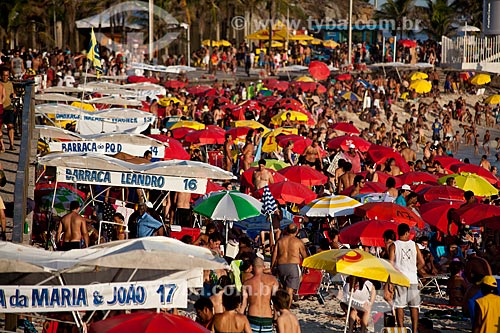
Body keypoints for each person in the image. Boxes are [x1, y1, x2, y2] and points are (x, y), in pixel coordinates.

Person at [389, 223, 425, 333]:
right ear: (407, 232)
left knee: (399, 306)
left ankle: (401, 329)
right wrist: (414, 269)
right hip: (412, 278)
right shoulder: (414, 245)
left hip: (400, 279)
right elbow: (422, 262)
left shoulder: (394, 245)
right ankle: (414, 330)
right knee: (414, 306)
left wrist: (390, 282)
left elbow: (391, 265)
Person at [271, 223, 308, 305]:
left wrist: (272, 267)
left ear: (286, 230)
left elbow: (274, 255)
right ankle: (287, 309)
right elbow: (305, 256)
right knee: (289, 291)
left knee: (283, 289)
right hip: (293, 266)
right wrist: (307, 267)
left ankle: (281, 307)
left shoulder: (280, 241)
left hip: (281, 266)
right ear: (297, 231)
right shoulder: (298, 242)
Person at [242, 258, 279, 333]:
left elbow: (243, 304)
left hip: (252, 315)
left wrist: (241, 317)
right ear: (264, 267)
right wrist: (275, 316)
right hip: (267, 316)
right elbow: (276, 300)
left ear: (252, 267)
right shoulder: (273, 280)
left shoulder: (247, 283)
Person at [1, 68, 16, 150]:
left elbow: (12, 93)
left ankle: (12, 145)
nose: (5, 77)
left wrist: (13, 94)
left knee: (10, 126)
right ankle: (2, 145)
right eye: (3, 75)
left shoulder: (10, 84)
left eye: (6, 75)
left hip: (8, 107)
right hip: (1, 107)